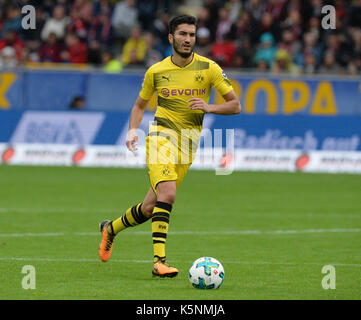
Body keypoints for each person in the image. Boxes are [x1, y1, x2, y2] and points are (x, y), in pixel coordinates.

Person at [98, 14, 241, 278]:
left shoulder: (209, 68)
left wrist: (209, 107)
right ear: (171, 37)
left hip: (189, 143)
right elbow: (140, 104)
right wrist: (132, 131)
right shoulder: (156, 71)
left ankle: (111, 229)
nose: (188, 39)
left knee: (150, 207)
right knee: (169, 194)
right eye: (183, 34)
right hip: (161, 137)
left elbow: (235, 105)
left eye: (192, 35)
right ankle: (159, 261)